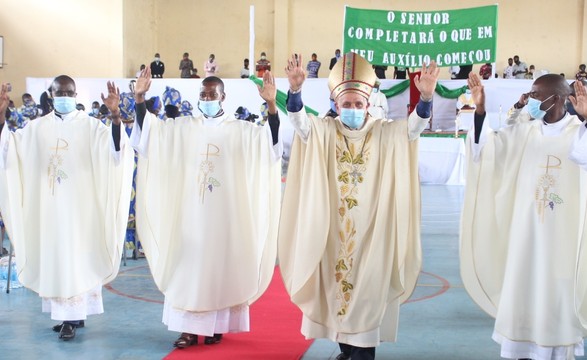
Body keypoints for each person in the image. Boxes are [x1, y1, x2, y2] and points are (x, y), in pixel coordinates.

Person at [279, 52, 439, 360]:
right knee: (335, 291)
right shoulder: (326, 131)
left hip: (373, 231)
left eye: (358, 104)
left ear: (369, 104)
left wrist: (427, 98)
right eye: (346, 104)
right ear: (336, 106)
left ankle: (362, 354)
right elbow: (301, 125)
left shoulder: (384, 132)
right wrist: (296, 92)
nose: (352, 109)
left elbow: (414, 129)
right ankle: (347, 349)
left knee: (368, 293)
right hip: (333, 231)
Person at [130, 67, 282, 349]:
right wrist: (140, 99)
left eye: (212, 94)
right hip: (190, 216)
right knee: (187, 268)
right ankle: (187, 330)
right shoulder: (184, 128)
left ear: (223, 97)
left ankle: (216, 327)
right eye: (203, 94)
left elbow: (270, 146)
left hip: (224, 216)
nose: (207, 98)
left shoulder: (241, 131)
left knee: (219, 268)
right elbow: (151, 134)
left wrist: (272, 106)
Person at [461, 72, 587, 360]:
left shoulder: (577, 132)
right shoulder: (527, 132)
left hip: (562, 243)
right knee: (522, 293)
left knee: (554, 299)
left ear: (555, 98)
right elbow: (488, 149)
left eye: (535, 95)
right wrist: (480, 110)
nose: (530, 99)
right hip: (524, 238)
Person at [0, 78, 134, 341]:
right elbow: (9, 151)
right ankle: (69, 315)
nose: (64, 96)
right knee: (57, 257)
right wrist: (1, 114)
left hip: (82, 210)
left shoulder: (92, 127)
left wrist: (116, 116)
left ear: (75, 94)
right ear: (51, 95)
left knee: (77, 258)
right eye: (59, 92)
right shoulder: (36, 129)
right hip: (49, 209)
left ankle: (71, 318)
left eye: (69, 92)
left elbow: (117, 152)